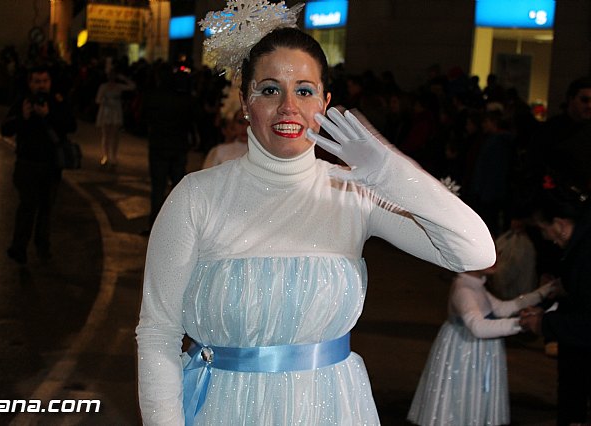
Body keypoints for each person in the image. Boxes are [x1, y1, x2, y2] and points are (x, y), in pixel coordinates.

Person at [135, 1, 496, 425]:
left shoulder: (353, 193)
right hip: (225, 410)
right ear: (244, 100)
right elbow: (158, 334)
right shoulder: (196, 196)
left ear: (324, 103)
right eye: (269, 89)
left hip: (333, 408)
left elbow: (475, 253)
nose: (289, 106)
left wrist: (392, 174)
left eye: (303, 91)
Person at [407, 264, 553, 425]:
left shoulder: (475, 285)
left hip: (476, 350)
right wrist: (522, 324)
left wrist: (544, 292)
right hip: (465, 351)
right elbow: (478, 327)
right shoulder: (464, 289)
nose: (496, 257)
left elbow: (502, 309)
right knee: (461, 394)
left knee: (472, 393)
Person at [519, 178, 591, 426]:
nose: (545, 237)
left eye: (542, 228)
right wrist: (566, 287)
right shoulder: (581, 242)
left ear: (559, 224)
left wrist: (544, 324)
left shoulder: (585, 252)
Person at [1, 64, 77, 264]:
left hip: (51, 166)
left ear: (50, 82)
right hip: (27, 164)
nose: (41, 86)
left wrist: (48, 116)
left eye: (44, 81)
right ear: (30, 83)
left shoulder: (58, 102)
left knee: (46, 209)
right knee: (26, 206)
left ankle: (43, 246)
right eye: (37, 82)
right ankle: (19, 248)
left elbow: (71, 125)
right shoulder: (22, 102)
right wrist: (23, 117)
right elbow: (5, 129)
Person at [141, 63, 196, 231]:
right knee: (178, 187)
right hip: (178, 146)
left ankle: (154, 225)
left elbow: (145, 118)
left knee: (158, 187)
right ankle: (176, 225)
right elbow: (191, 120)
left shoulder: (154, 97)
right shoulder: (184, 98)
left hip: (159, 145)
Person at [95, 68, 135, 168]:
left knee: (115, 135)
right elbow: (98, 99)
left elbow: (132, 86)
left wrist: (124, 78)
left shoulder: (118, 86)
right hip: (107, 111)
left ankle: (113, 157)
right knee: (106, 135)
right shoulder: (103, 86)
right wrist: (106, 101)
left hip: (116, 111)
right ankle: (105, 155)